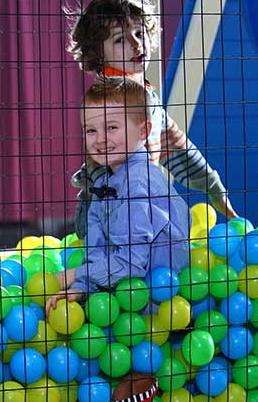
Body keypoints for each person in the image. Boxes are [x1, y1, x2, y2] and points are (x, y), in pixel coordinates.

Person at [68, 0, 237, 238]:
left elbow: (176, 147)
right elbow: (101, 163)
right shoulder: (106, 97)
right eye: (119, 40)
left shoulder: (146, 97)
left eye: (139, 33)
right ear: (97, 53)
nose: (136, 44)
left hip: (140, 208)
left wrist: (211, 184)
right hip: (105, 215)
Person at [47, 78, 190, 312]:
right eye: (91, 130)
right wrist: (82, 287)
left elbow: (132, 262)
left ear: (144, 131)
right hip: (121, 299)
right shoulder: (103, 183)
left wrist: (74, 275)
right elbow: (97, 247)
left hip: (158, 305)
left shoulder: (139, 182)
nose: (100, 138)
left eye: (111, 127)